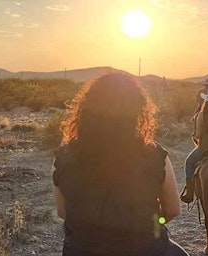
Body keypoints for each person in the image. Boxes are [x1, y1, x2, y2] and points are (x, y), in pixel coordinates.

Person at [52, 72, 189, 256]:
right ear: (137, 110)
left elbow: (63, 212)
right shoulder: (156, 156)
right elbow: (172, 209)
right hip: (146, 248)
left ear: (87, 109)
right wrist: (155, 224)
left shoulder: (63, 157)